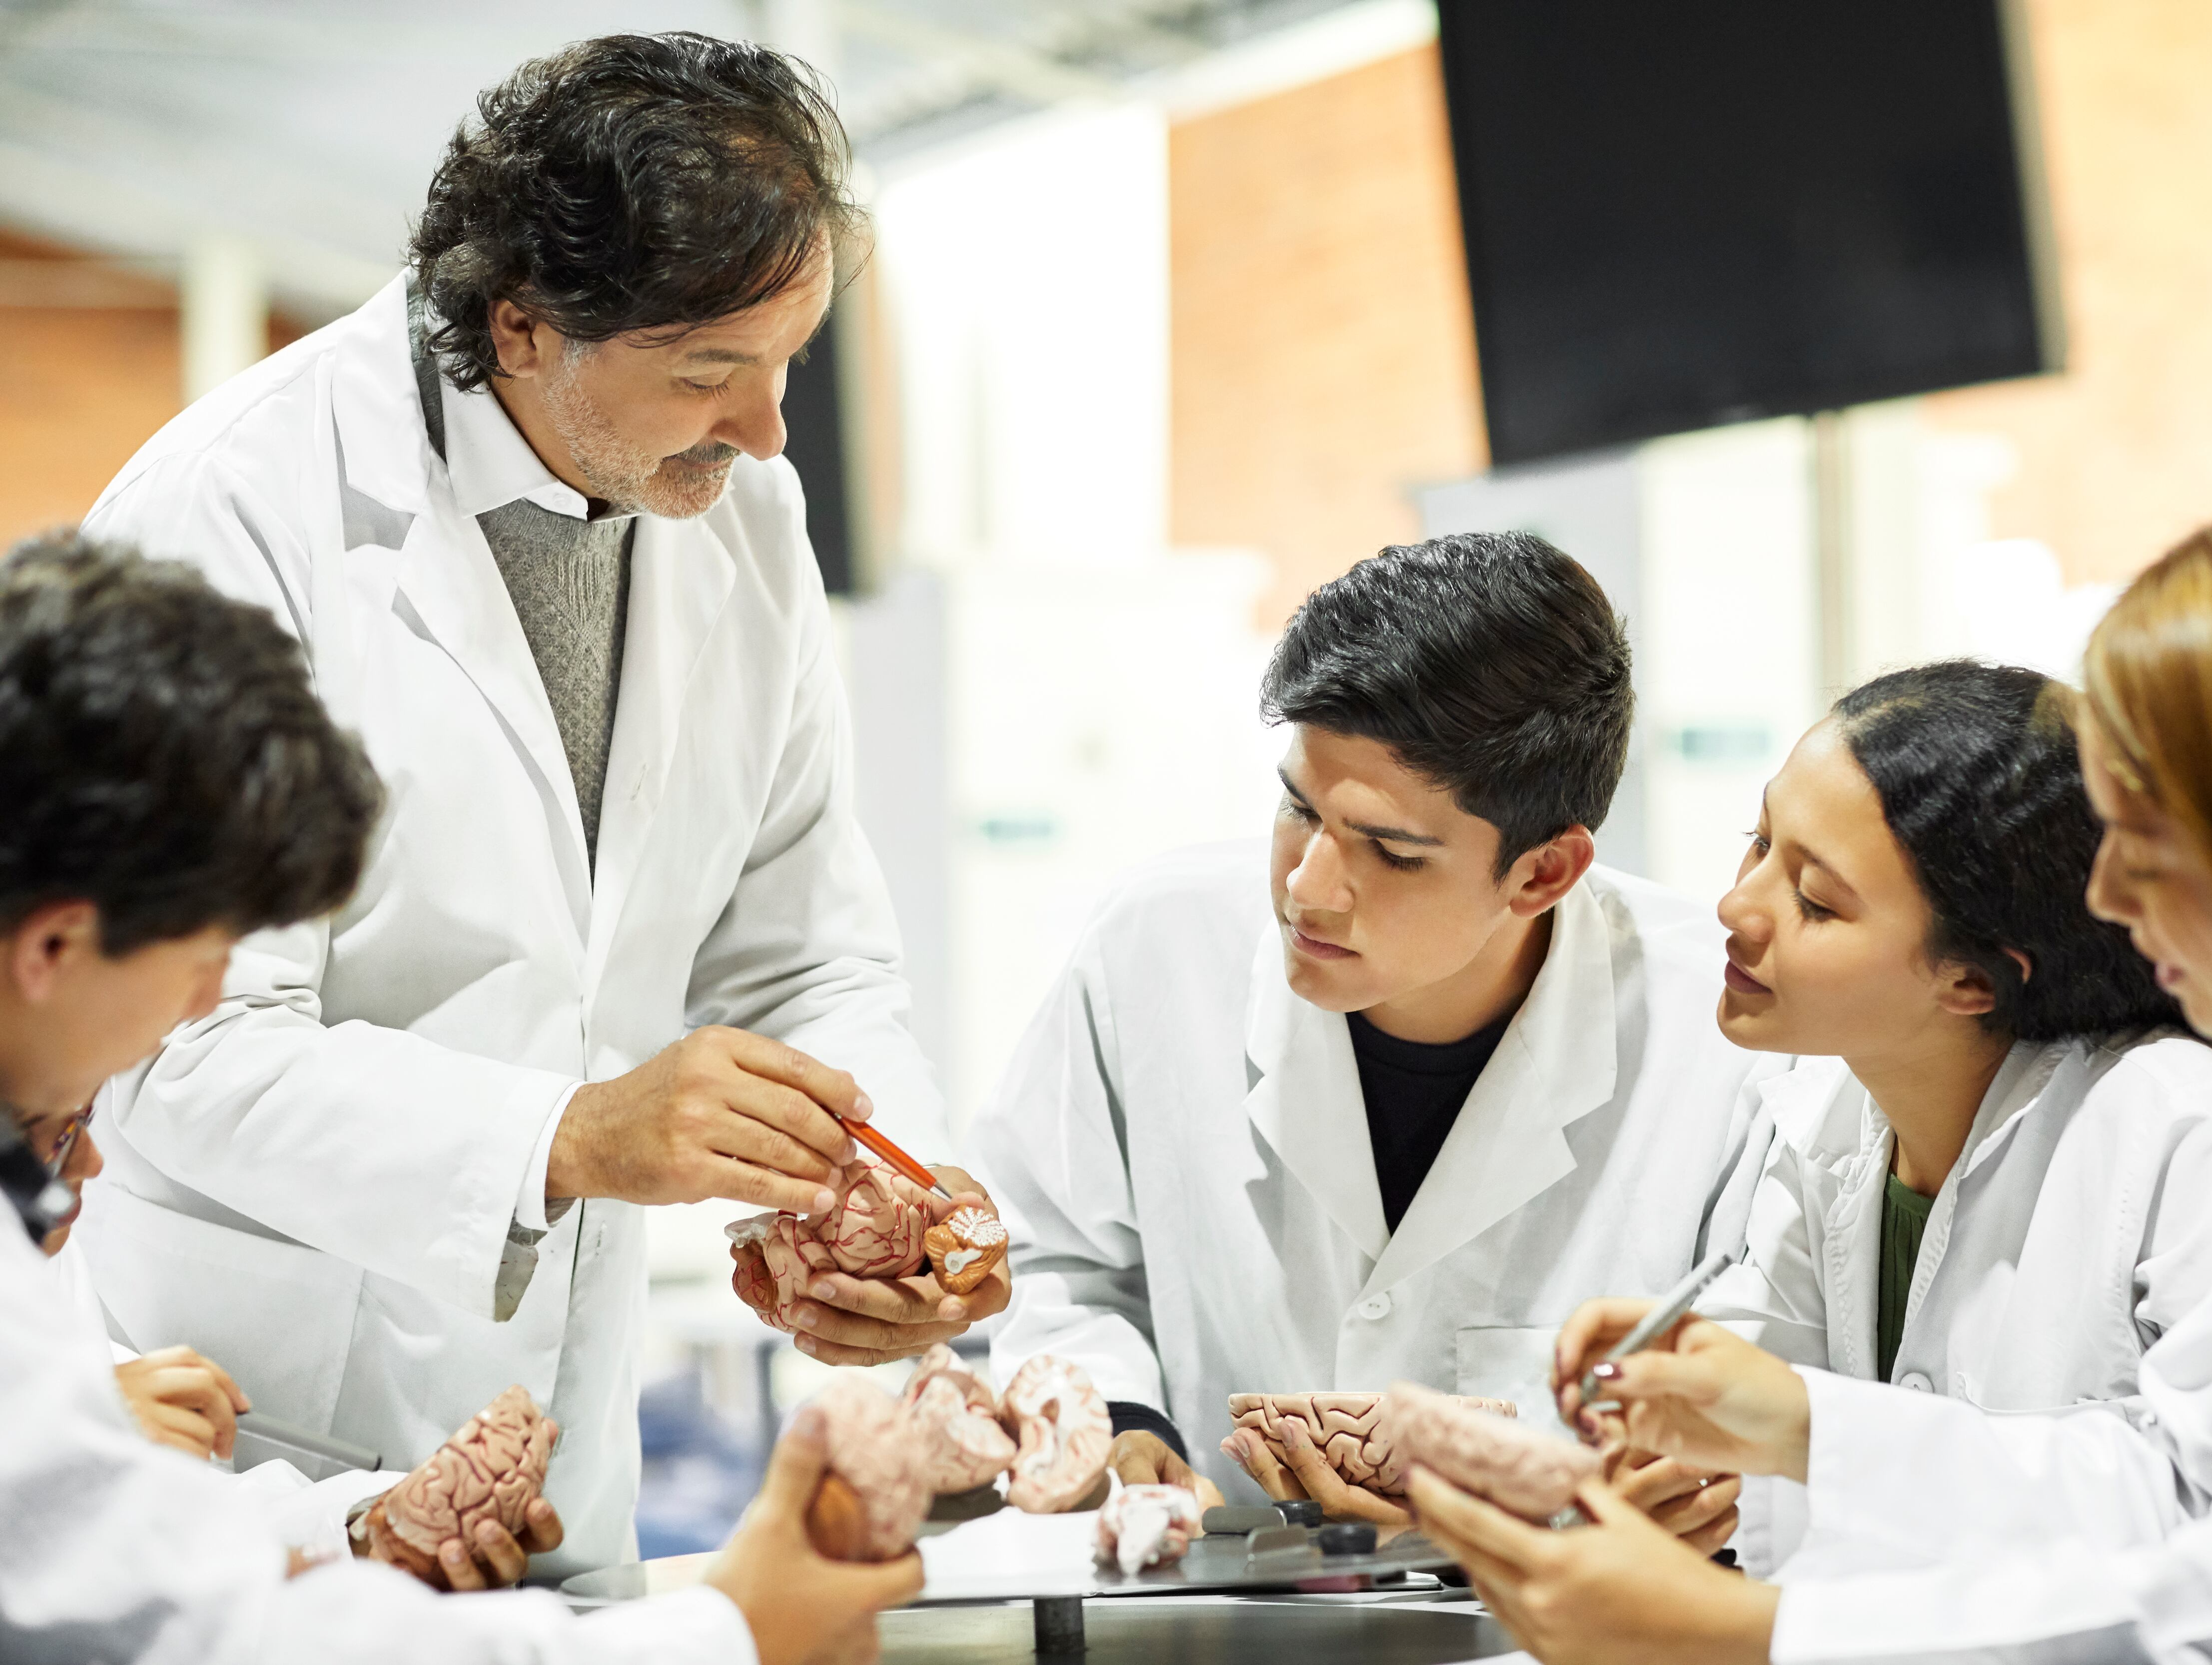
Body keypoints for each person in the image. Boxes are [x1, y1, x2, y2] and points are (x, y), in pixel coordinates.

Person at [76, 32, 1000, 1575]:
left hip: (568, 1437)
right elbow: (170, 1040)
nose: (770, 430)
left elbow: (799, 958)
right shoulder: (230, 512)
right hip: (264, 1436)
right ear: (521, 322)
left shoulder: (743, 513)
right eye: (709, 373)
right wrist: (570, 1135)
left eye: (788, 363)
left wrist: (896, 1193)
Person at [1408, 485, 2212, 1664]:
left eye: (2147, 842)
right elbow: (2182, 1477)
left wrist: (1757, 1631)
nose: (2108, 893)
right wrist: (1793, 1425)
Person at [0, 532, 920, 1663]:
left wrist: (351, 1527)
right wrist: (726, 1634)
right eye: (203, 958)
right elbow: (203, 1633)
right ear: (56, 945)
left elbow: (97, 1539)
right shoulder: (247, 496)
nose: (204, 1003)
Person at [965, 532, 1771, 1542]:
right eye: (1298, 809)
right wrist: (1122, 1423)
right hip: (1220, 1596)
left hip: (1567, 1609)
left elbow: (1766, 1382)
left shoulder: (1720, 1032)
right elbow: (1054, 1257)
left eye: (1390, 850)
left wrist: (1666, 1494)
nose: (1309, 888)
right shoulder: (1155, 947)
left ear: (1543, 873)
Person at [1659, 659, 2212, 1570]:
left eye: (1815, 901)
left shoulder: (2187, 1139)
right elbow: (1755, 1433)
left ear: (1973, 981)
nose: (1735, 906)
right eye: (1759, 841)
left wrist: (1801, 1440)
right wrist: (1677, 1469)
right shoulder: (1825, 1119)